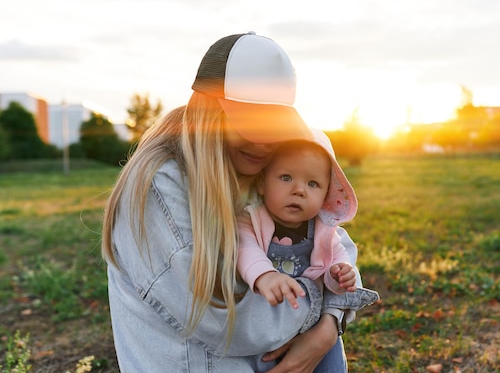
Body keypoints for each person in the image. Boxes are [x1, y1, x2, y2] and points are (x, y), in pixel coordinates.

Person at [101, 32, 375, 372]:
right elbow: (221, 319)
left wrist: (330, 327)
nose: (263, 142)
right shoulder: (159, 186)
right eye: (247, 123)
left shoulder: (254, 170)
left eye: (272, 125)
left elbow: (334, 241)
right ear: (209, 111)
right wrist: (320, 305)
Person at [237, 128, 379, 372]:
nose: (299, 190)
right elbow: (244, 249)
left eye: (313, 183)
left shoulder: (325, 232)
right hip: (268, 328)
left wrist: (340, 274)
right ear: (262, 183)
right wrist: (264, 275)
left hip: (313, 327)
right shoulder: (251, 220)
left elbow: (337, 266)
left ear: (326, 194)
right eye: (285, 177)